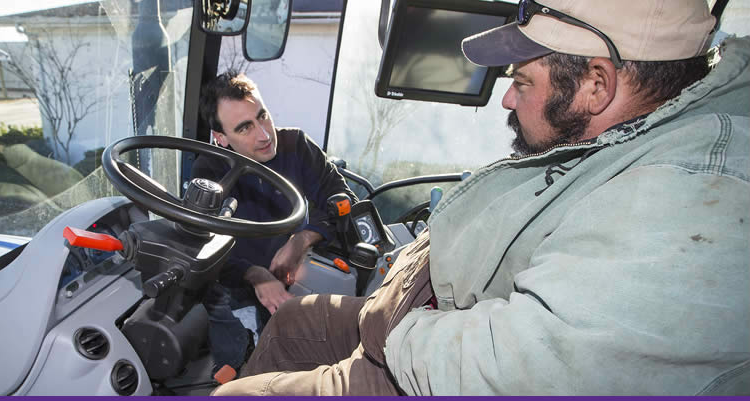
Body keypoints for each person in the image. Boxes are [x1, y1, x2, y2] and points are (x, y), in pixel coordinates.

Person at [213, 0, 749, 395]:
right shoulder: (608, 139)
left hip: (426, 360)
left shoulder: (690, 194)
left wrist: (394, 332)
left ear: (596, 85)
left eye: (522, 81)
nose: (508, 99)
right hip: (413, 319)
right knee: (290, 321)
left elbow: (517, 366)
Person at [191, 71, 358, 378]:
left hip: (295, 274)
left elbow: (341, 197)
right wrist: (253, 274)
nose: (264, 135)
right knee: (238, 364)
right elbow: (202, 244)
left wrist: (302, 240)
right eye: (245, 128)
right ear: (221, 138)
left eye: (262, 116)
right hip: (233, 284)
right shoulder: (208, 170)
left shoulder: (296, 145)